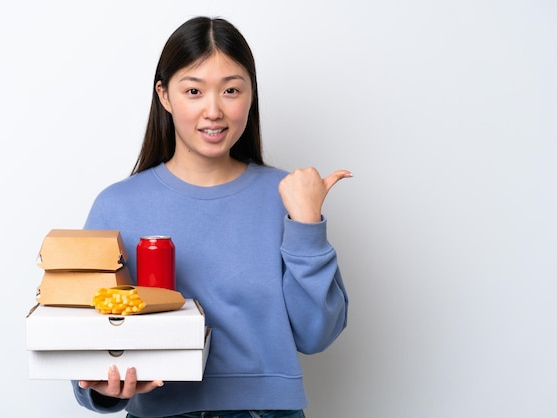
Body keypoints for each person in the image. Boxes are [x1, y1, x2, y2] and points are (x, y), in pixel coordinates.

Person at [72, 16, 351, 418]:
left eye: (231, 90)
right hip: (159, 411)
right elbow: (83, 340)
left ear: (251, 95)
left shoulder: (287, 197)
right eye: (194, 91)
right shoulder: (116, 206)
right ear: (164, 96)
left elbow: (316, 335)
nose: (214, 110)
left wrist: (307, 225)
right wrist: (104, 391)